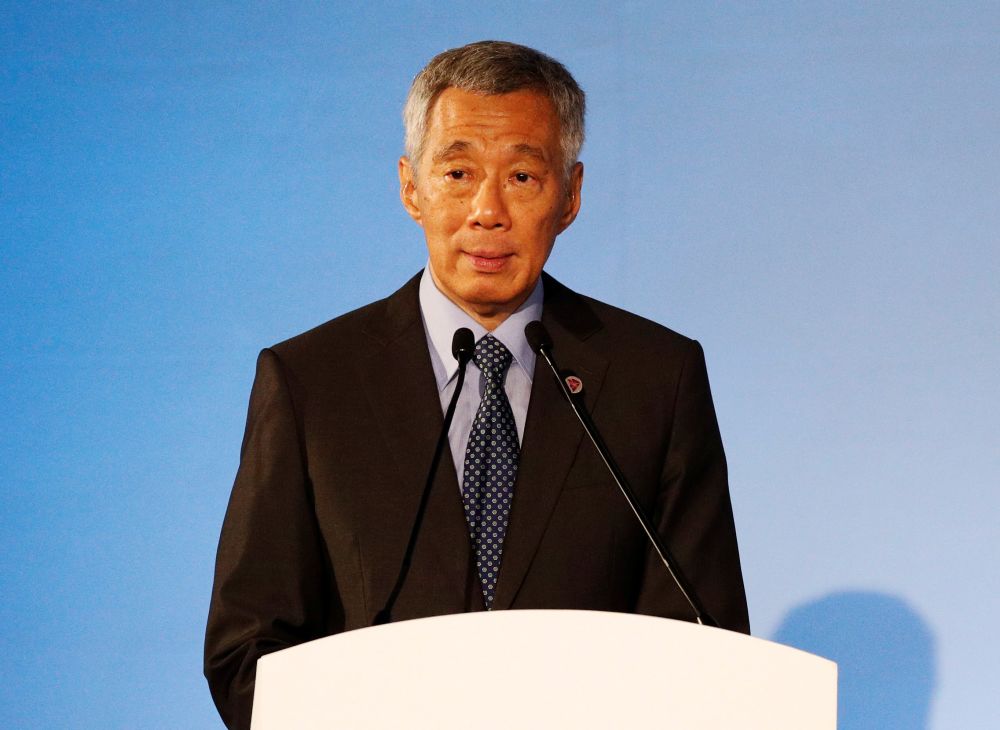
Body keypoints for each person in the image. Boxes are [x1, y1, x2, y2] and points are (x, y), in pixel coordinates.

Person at [204, 40, 749, 730]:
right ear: (411, 188)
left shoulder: (654, 377)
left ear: (571, 195)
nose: (486, 211)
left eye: (522, 177)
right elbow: (249, 651)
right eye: (458, 172)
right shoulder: (313, 380)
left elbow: (705, 641)